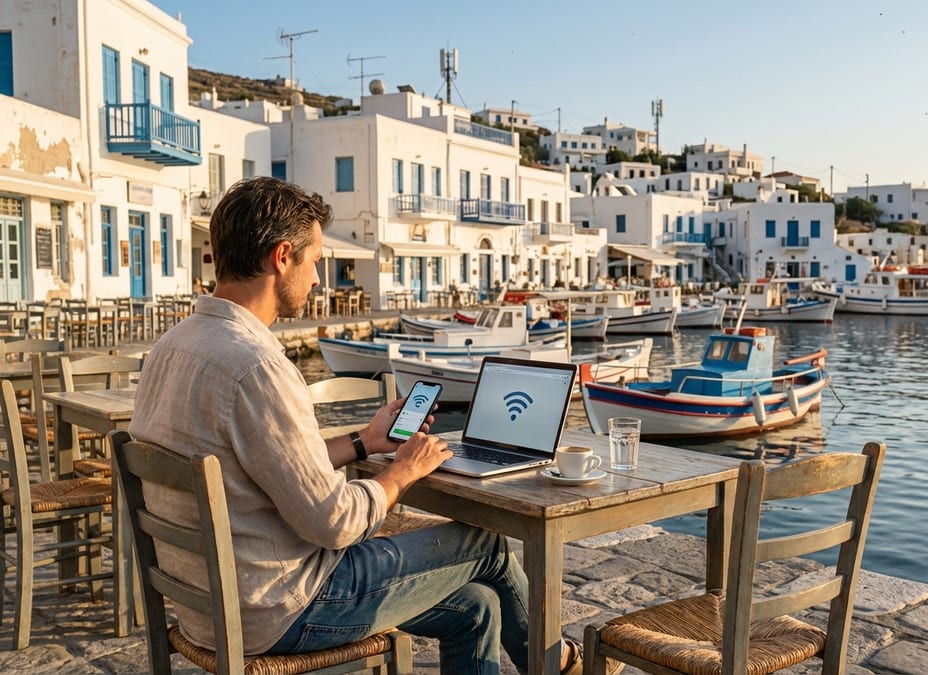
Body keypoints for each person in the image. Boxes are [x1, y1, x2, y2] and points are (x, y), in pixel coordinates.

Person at [130, 177, 601, 674]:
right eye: (315, 261)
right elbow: (334, 523)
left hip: (210, 605)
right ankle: (564, 667)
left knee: (476, 606)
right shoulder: (257, 366)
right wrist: (400, 472)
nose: (318, 280)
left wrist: (363, 443)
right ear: (281, 256)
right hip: (280, 607)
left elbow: (261, 465)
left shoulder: (173, 346)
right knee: (486, 542)